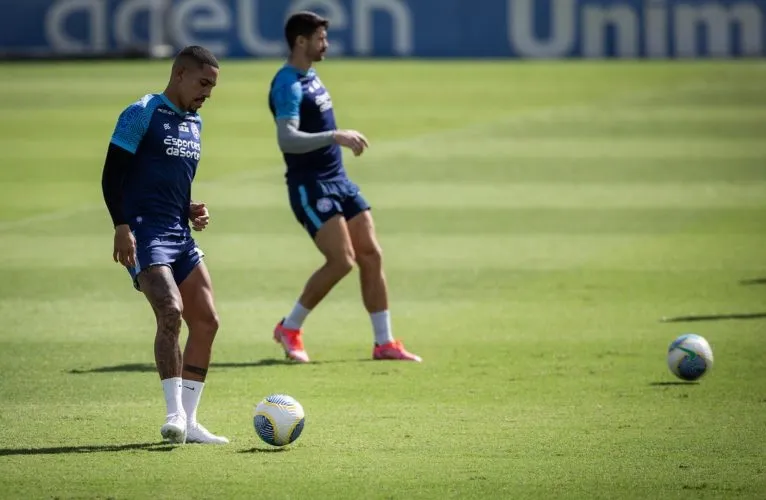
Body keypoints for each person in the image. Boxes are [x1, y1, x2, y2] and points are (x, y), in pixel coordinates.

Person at [267, 11, 421, 363]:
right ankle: (289, 328)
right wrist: (334, 136)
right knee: (341, 261)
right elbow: (286, 138)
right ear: (301, 41)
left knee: (371, 254)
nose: (327, 44)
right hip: (311, 186)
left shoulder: (310, 76)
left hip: (339, 181)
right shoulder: (287, 83)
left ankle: (384, 343)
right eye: (321, 38)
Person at [100, 46, 228, 444]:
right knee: (171, 310)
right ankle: (173, 413)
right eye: (203, 83)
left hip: (178, 233)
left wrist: (189, 208)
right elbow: (112, 175)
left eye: (212, 86)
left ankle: (190, 423)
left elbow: (166, 178)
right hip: (144, 233)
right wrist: (121, 225)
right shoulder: (142, 112)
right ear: (179, 75)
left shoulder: (194, 123)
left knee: (207, 321)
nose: (208, 92)